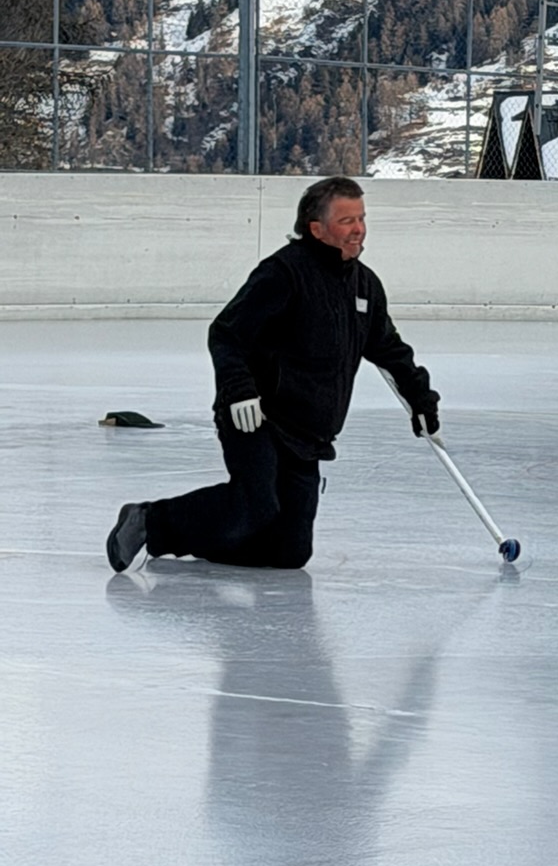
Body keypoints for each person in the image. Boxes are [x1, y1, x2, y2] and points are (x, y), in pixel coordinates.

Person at [107, 177, 439, 572]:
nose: (359, 229)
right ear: (316, 229)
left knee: (289, 554)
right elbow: (227, 334)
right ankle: (150, 521)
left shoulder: (364, 285)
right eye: (346, 220)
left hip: (308, 432)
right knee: (255, 504)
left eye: (361, 218)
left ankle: (206, 535)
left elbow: (388, 348)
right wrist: (238, 390)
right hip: (257, 415)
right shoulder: (284, 273)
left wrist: (421, 399)